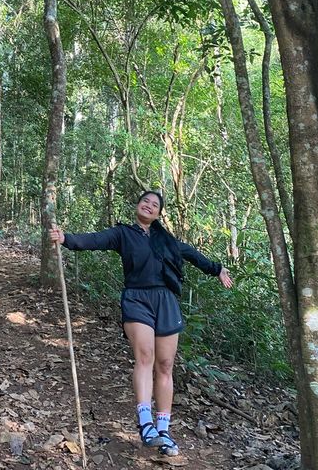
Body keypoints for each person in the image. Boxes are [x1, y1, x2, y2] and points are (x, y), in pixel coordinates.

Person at [49, 191, 233, 457]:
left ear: (159, 213)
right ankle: (146, 424)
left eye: (155, 205)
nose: (149, 206)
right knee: (145, 356)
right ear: (137, 206)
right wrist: (66, 239)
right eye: (145, 201)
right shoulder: (123, 234)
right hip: (137, 298)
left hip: (166, 300)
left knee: (166, 365)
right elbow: (94, 239)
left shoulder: (166, 240)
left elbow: (192, 254)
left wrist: (217, 269)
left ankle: (163, 430)